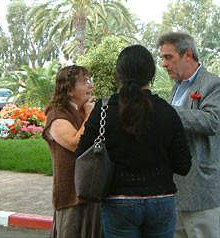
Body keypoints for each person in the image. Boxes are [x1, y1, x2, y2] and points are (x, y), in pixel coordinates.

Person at [75, 45, 192, 238]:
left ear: (118, 74)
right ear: (151, 75)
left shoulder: (104, 110)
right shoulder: (166, 111)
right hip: (161, 200)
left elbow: (81, 155)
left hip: (117, 202)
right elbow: (183, 165)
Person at [157, 32, 220, 238]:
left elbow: (212, 122)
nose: (164, 64)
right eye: (163, 58)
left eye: (169, 57)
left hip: (203, 187)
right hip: (177, 188)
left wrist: (166, 112)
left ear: (188, 55)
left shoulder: (213, 85)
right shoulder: (177, 87)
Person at [42, 65, 102, 238]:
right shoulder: (57, 115)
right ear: (68, 90)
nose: (91, 86)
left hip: (92, 192)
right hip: (71, 196)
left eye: (90, 81)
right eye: (85, 82)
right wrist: (90, 116)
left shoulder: (85, 110)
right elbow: (75, 143)